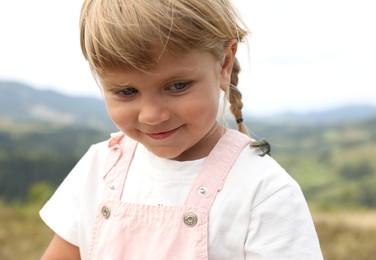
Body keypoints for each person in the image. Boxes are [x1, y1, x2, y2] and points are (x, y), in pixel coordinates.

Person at [40, 0, 323, 259]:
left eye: (177, 86)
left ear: (224, 63)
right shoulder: (99, 167)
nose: (152, 115)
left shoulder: (264, 190)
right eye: (126, 91)